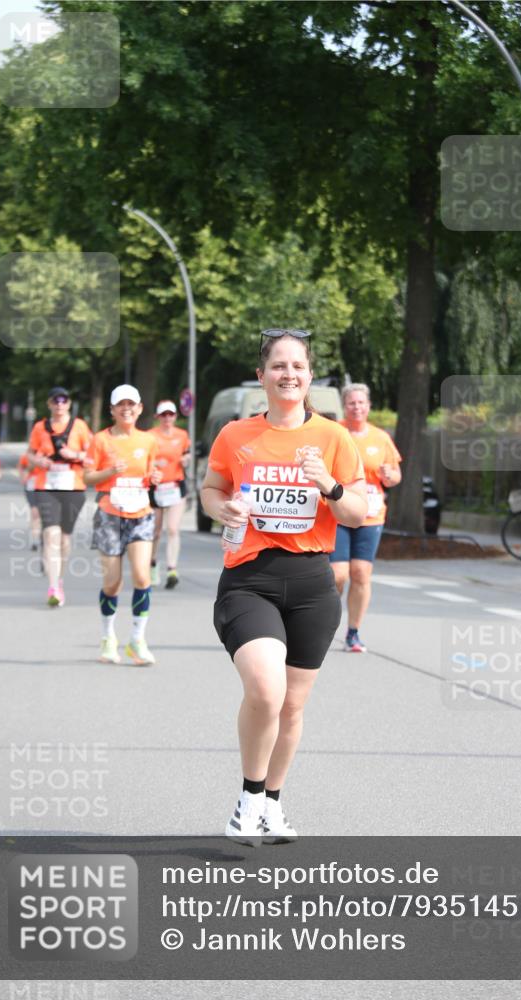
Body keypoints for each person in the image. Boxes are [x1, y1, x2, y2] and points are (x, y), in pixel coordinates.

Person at [200, 329, 367, 844]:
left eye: (297, 366)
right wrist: (222, 508)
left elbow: (357, 512)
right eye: (278, 365)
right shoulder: (236, 435)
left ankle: (272, 803)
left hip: (313, 583)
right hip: (249, 580)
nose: (288, 374)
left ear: (310, 375)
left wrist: (328, 484)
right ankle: (249, 799)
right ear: (262, 376)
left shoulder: (334, 438)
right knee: (266, 690)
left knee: (292, 705)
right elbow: (211, 488)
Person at [83, 384, 162, 666]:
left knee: (142, 576)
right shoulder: (100, 440)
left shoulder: (149, 440)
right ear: (112, 410)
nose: (126, 409)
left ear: (140, 409)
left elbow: (150, 474)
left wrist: (154, 478)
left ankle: (137, 640)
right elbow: (87, 478)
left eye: (131, 404)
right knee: (112, 582)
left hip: (140, 513)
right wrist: (109, 471)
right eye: (121, 405)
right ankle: (108, 637)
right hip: (109, 515)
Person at [329, 383, 402, 653]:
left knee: (360, 573)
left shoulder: (380, 438)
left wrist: (389, 476)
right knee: (338, 575)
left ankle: (353, 632)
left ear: (368, 406)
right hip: (338, 512)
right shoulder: (334, 433)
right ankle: (324, 623)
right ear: (344, 406)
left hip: (370, 515)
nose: (357, 407)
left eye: (361, 403)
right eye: (351, 403)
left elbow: (395, 475)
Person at [27, 387, 92, 607]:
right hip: (46, 486)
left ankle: (60, 578)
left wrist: (74, 455)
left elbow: (92, 456)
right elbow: (29, 454)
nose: (60, 404)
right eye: (56, 400)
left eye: (64, 400)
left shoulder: (80, 426)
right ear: (49, 404)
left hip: (73, 487)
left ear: (69, 404)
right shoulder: (40, 427)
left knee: (64, 539)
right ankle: (53, 587)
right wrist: (39, 461)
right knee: (50, 534)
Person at [148, 400, 190, 589]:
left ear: (175, 416)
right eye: (163, 414)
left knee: (173, 529)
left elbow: (187, 453)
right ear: (157, 417)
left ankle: (172, 569)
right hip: (155, 487)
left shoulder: (182, 435)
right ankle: (152, 564)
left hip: (175, 486)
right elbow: (143, 460)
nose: (167, 418)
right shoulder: (150, 436)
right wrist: (155, 464)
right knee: (155, 531)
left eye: (170, 414)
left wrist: (186, 459)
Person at [18, 453, 42, 551]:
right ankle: (34, 539)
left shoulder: (49, 453)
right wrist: (23, 477)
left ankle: (43, 534)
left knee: (45, 513)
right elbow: (22, 468)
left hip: (45, 486)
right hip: (31, 486)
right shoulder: (26, 456)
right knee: (35, 513)